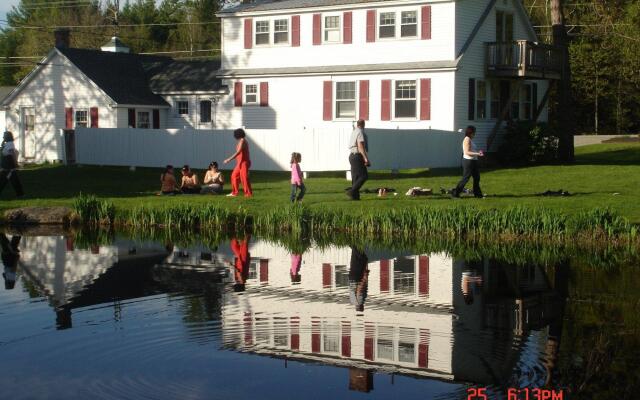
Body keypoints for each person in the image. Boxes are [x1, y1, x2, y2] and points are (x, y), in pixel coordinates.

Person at [452, 126, 484, 198]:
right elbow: (467, 152)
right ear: (470, 132)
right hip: (468, 162)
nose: (474, 134)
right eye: (474, 132)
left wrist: (477, 152)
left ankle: (478, 195)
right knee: (465, 178)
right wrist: (478, 154)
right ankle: (455, 194)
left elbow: (471, 150)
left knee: (477, 178)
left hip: (473, 161)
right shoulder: (467, 139)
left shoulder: (470, 139)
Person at [224, 128, 252, 197]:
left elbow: (238, 152)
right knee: (234, 176)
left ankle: (248, 194)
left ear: (238, 135)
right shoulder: (240, 141)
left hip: (244, 163)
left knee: (244, 178)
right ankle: (234, 192)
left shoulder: (242, 141)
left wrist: (229, 159)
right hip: (240, 163)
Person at [347, 120, 370, 200]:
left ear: (357, 124)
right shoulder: (360, 132)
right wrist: (366, 159)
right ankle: (352, 191)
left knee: (355, 177)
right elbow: (360, 146)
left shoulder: (354, 132)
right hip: (357, 156)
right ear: (363, 124)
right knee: (364, 176)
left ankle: (355, 197)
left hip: (351, 156)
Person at [0, 131, 24, 197]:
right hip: (6, 165)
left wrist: (15, 163)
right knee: (10, 180)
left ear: (8, 136)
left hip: (8, 165)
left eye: (4, 135)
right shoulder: (7, 143)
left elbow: (12, 154)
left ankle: (20, 194)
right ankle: (20, 194)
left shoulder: (10, 144)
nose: (3, 137)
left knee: (5, 180)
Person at [349, 246, 369, 312]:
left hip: (357, 277)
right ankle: (353, 242)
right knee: (356, 256)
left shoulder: (360, 301)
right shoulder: (352, 300)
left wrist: (365, 277)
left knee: (363, 258)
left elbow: (359, 290)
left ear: (361, 306)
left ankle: (351, 243)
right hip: (352, 276)